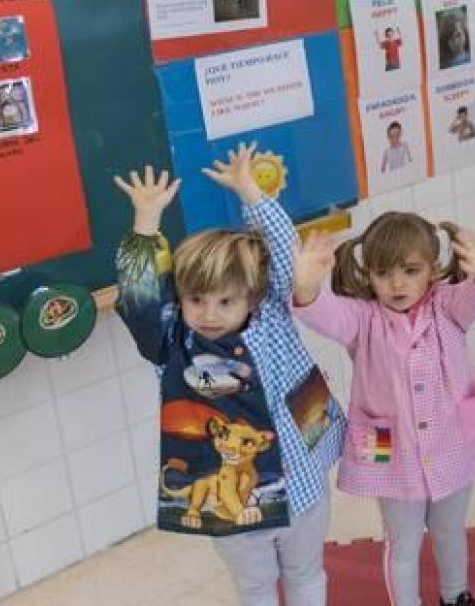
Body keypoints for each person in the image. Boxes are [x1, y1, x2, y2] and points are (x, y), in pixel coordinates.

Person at [111, 145, 345, 606]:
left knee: (306, 573)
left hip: (301, 479)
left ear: (252, 296)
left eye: (224, 301)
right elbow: (138, 299)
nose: (209, 314)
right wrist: (145, 224)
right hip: (230, 501)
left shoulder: (271, 314)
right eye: (196, 300)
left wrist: (251, 192)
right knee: (255, 587)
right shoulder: (173, 343)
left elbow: (281, 251)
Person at [293, 210, 475, 606]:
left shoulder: (447, 306)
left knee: (449, 530)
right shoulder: (361, 319)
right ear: (367, 274)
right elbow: (323, 313)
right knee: (403, 542)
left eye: (410, 271)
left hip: (451, 445)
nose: (397, 283)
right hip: (391, 454)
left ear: (431, 269)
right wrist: (307, 286)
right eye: (383, 272)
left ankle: (455, 595)